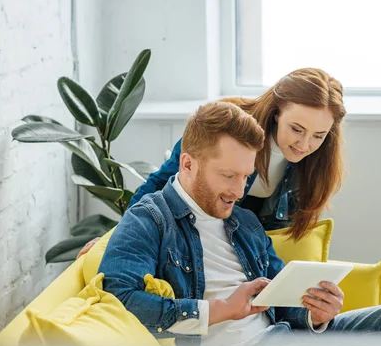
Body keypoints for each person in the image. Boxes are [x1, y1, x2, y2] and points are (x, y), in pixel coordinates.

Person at [98, 101, 381, 346]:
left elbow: (283, 304)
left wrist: (316, 315)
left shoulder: (245, 223)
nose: (239, 191)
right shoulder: (150, 219)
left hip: (285, 342)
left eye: (246, 176)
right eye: (227, 175)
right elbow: (119, 302)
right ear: (188, 163)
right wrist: (219, 310)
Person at [78, 67, 345, 258]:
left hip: (249, 252)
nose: (304, 144)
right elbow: (161, 183)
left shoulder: (316, 160)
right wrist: (114, 238)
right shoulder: (226, 125)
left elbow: (286, 235)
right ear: (276, 112)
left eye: (318, 136)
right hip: (194, 237)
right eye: (297, 129)